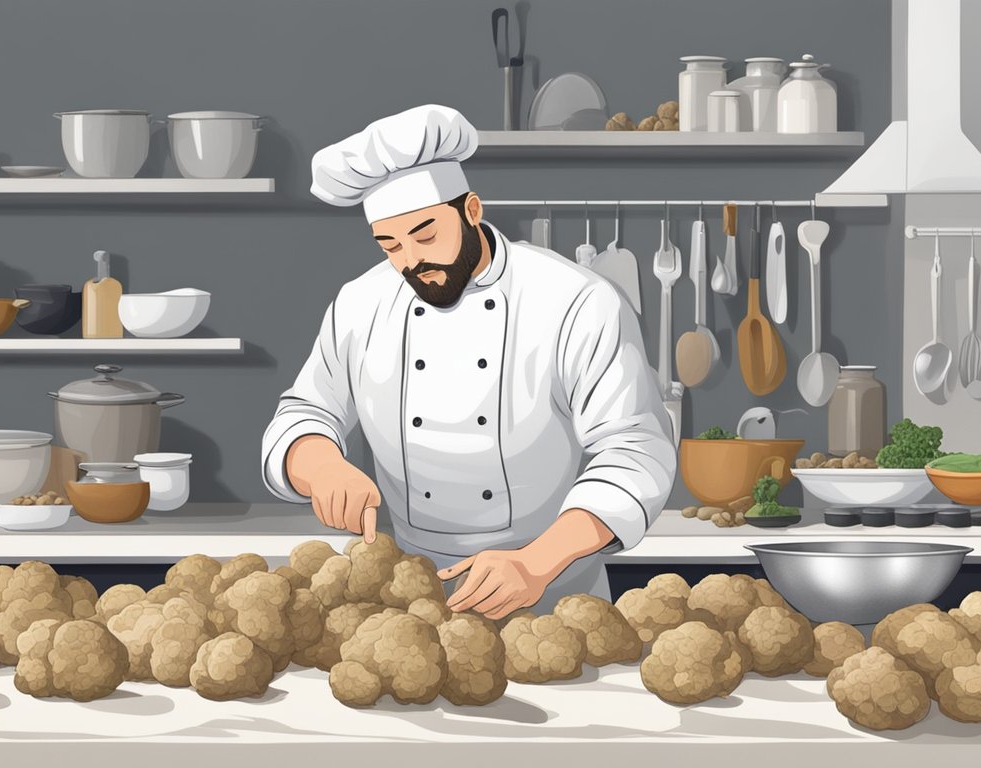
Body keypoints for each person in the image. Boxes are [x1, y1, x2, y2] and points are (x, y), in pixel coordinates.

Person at [260, 105, 676, 618]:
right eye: (389, 245)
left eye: (426, 234)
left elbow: (635, 451)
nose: (410, 260)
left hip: (555, 599)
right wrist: (321, 468)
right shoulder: (360, 304)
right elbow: (304, 412)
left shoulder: (575, 299)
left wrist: (537, 562)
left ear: (472, 210)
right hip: (407, 602)